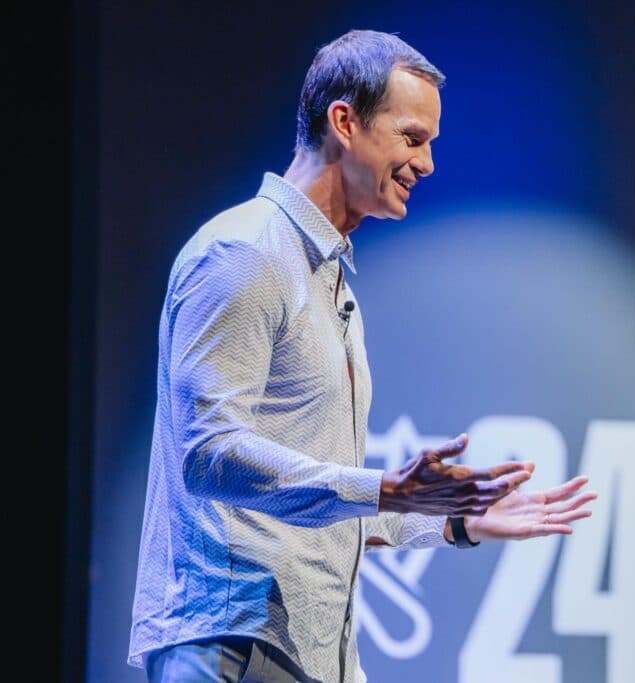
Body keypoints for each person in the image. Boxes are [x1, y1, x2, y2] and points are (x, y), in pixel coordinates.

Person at [126, 29, 596, 683]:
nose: (428, 162)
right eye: (412, 137)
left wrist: (451, 521)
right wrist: (386, 488)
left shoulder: (330, 279)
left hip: (313, 654)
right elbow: (209, 455)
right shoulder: (243, 254)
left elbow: (319, 510)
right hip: (232, 646)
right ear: (343, 121)